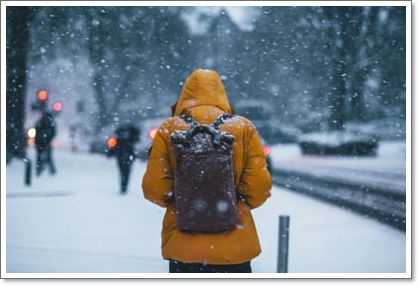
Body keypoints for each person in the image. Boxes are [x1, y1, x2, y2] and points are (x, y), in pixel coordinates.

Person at [142, 69, 272, 273]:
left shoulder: (169, 129)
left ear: (185, 96)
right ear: (222, 95)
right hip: (235, 249)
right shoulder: (243, 128)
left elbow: (154, 190)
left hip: (183, 250)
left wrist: (185, 200)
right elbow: (259, 189)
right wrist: (230, 203)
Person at [113, 124, 139, 195]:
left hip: (122, 156)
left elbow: (114, 147)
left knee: (123, 172)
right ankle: (124, 187)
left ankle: (123, 186)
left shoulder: (121, 137)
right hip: (126, 156)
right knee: (126, 172)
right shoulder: (131, 137)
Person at [34, 110, 57, 176]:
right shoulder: (50, 124)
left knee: (39, 157)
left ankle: (39, 170)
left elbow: (37, 131)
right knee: (48, 157)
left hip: (40, 143)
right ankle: (51, 170)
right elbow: (53, 133)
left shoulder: (40, 123)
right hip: (45, 143)